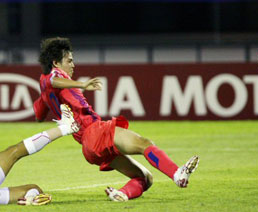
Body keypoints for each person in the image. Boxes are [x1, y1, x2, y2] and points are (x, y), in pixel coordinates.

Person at [33, 37, 199, 202]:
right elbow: (53, 80)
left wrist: (50, 103)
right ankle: (178, 174)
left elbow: (39, 115)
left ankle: (122, 194)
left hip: (88, 147)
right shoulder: (53, 77)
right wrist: (81, 85)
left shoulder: (45, 92)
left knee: (145, 178)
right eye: (69, 61)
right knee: (144, 143)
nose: (73, 65)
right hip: (95, 132)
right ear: (56, 63)